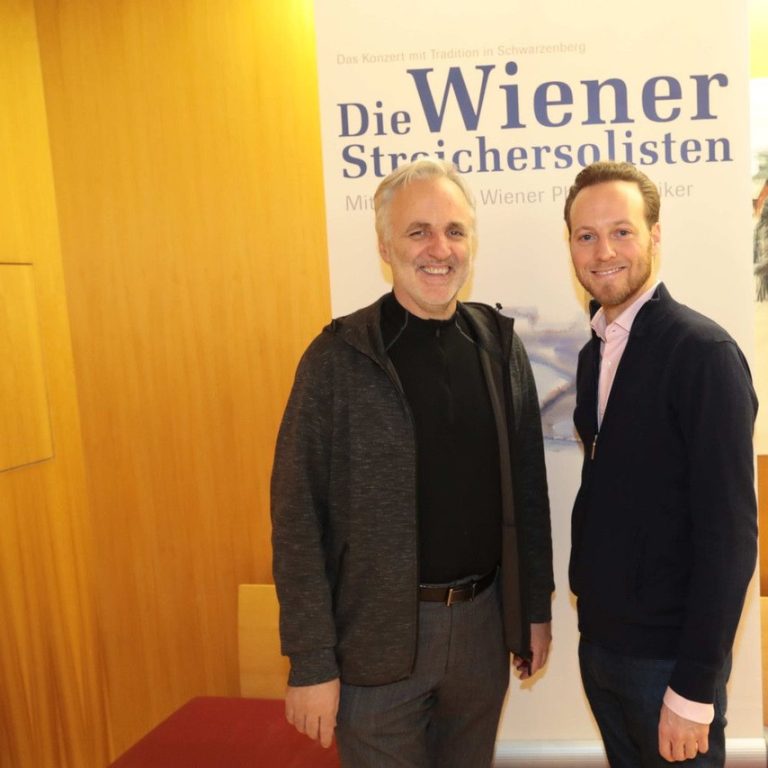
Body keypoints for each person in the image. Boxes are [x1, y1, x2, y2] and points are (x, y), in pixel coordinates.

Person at [271, 158, 554, 767]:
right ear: (384, 244)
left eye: (454, 231)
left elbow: (528, 491)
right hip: (374, 643)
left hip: (481, 631)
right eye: (418, 231)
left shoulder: (500, 346)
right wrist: (312, 662)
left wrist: (533, 609)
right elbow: (296, 518)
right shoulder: (337, 359)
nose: (439, 249)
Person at [564, 161, 758, 767]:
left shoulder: (703, 354)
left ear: (655, 235)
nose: (603, 252)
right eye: (586, 236)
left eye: (622, 231)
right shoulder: (595, 353)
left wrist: (696, 687)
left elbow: (731, 536)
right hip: (602, 648)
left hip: (669, 664)